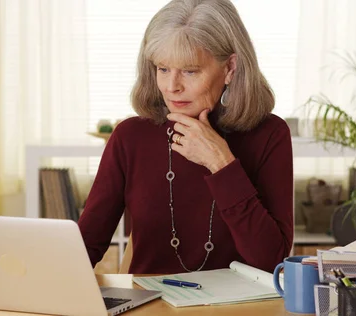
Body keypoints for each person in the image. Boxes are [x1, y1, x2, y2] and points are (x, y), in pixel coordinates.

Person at [78, 0, 293, 274]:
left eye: (190, 71)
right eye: (163, 69)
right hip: (149, 309)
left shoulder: (269, 135)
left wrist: (221, 163)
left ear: (230, 68)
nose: (171, 87)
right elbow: (85, 245)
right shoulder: (130, 137)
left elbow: (271, 261)